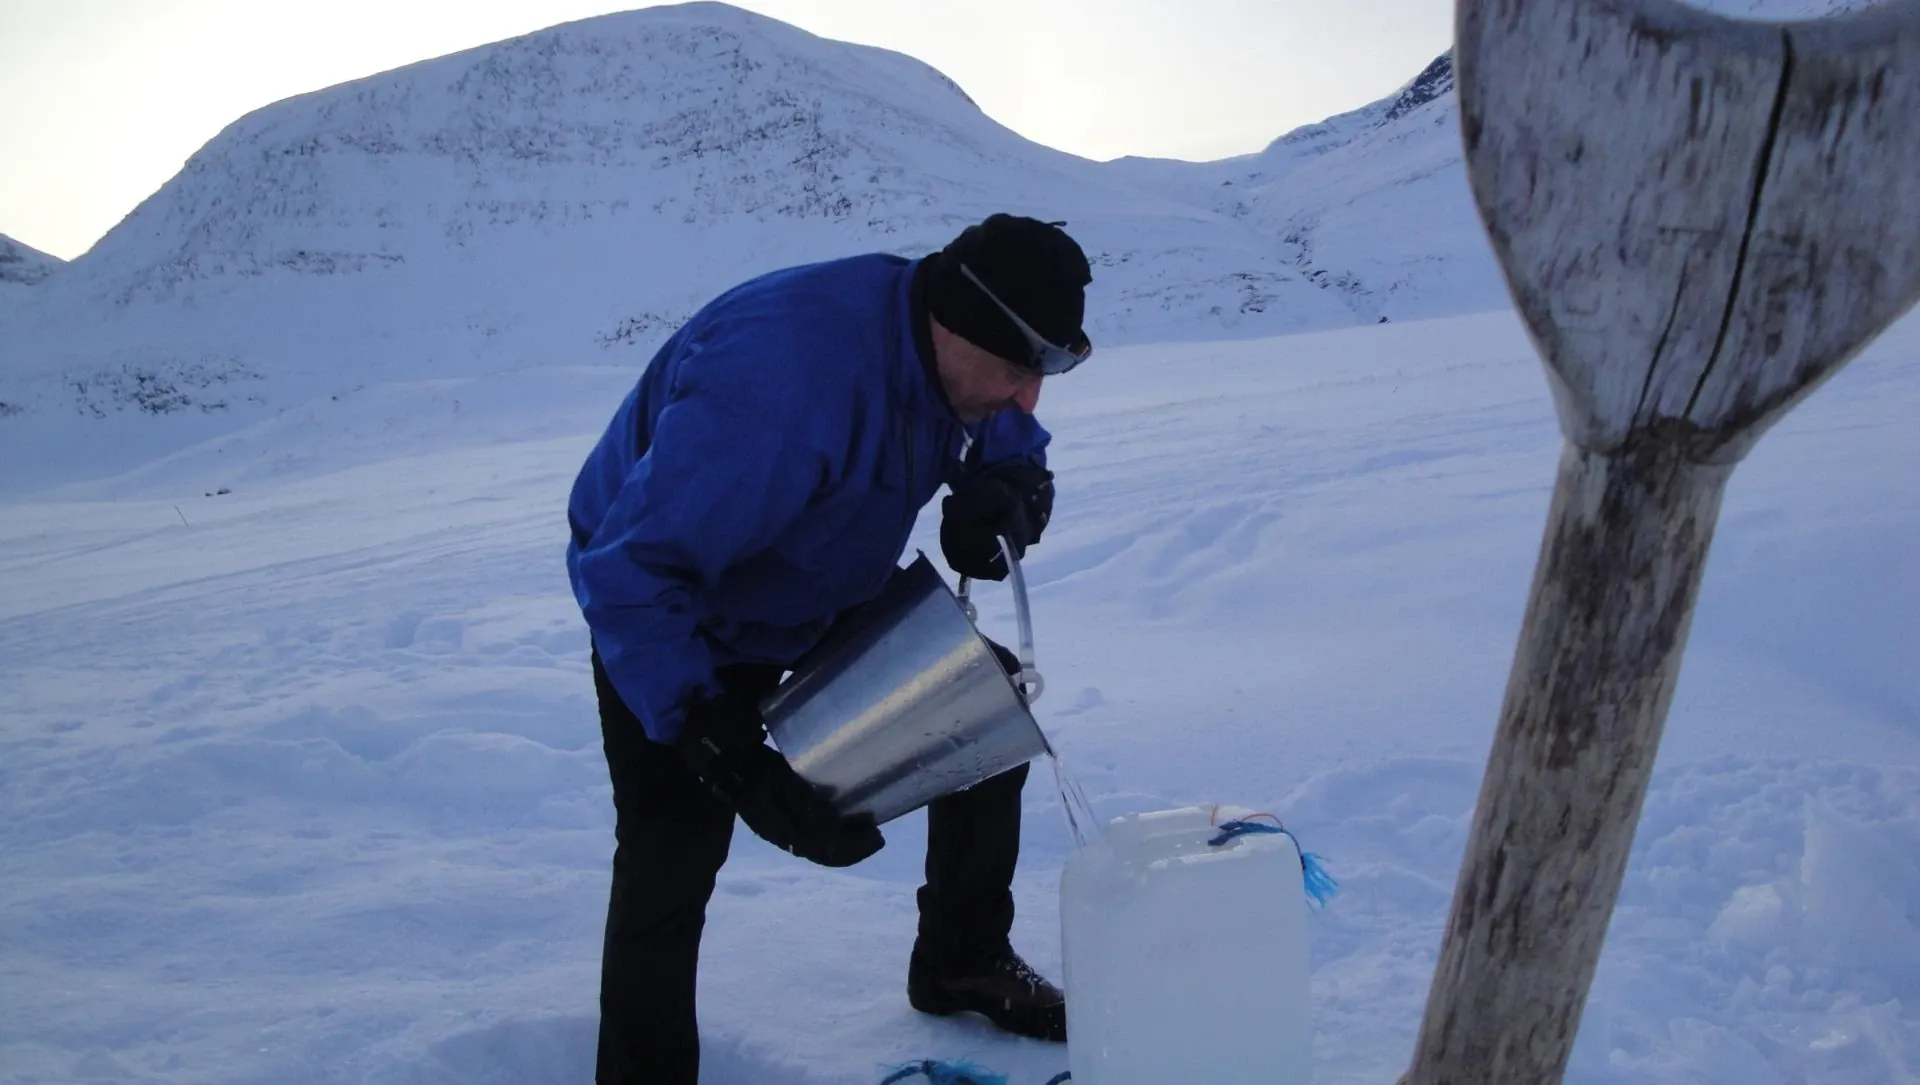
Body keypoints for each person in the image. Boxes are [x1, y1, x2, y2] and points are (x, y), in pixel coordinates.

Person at [564, 213, 1095, 1085]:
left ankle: (960, 957)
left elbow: (1008, 437)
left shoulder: (963, 358)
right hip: (670, 607)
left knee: (981, 706)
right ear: (952, 328)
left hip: (816, 572)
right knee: (672, 850)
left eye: (1042, 373)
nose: (1026, 397)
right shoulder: (776, 388)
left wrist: (1007, 492)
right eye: (1014, 371)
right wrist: (728, 752)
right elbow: (629, 574)